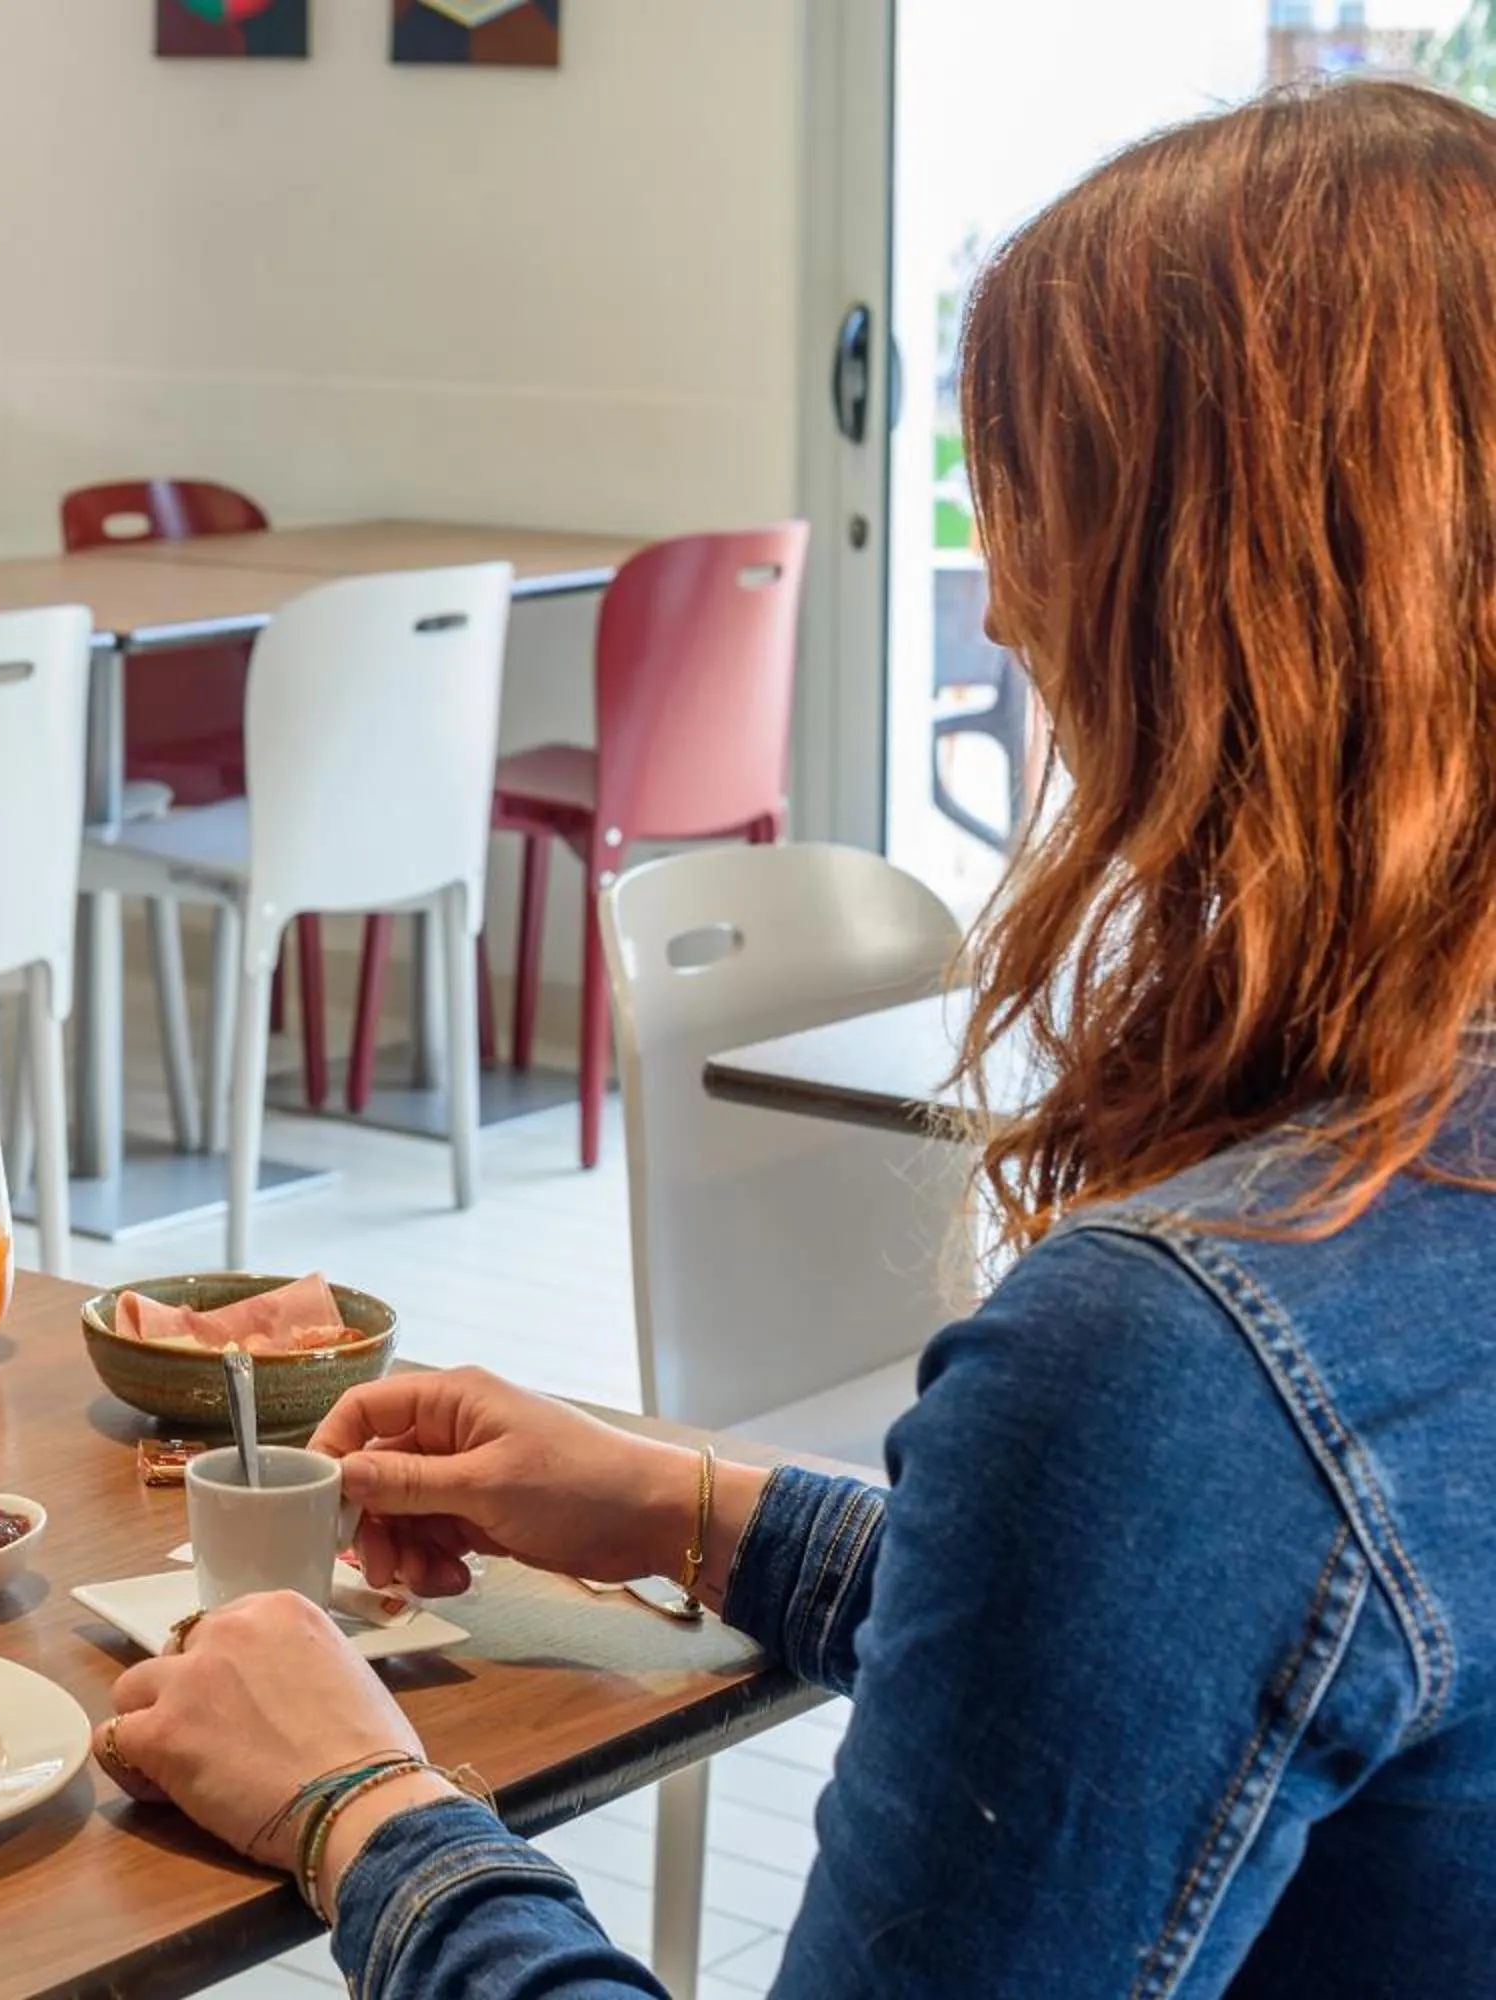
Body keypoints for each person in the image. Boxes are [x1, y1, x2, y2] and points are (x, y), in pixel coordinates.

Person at [97, 77, 1496, 1997]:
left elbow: (1185, 1529)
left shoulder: (1184, 1353)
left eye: (1043, 509)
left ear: (1225, 595)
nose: (1000, 602)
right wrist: (685, 1506)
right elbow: (1190, 1649)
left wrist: (366, 1814)